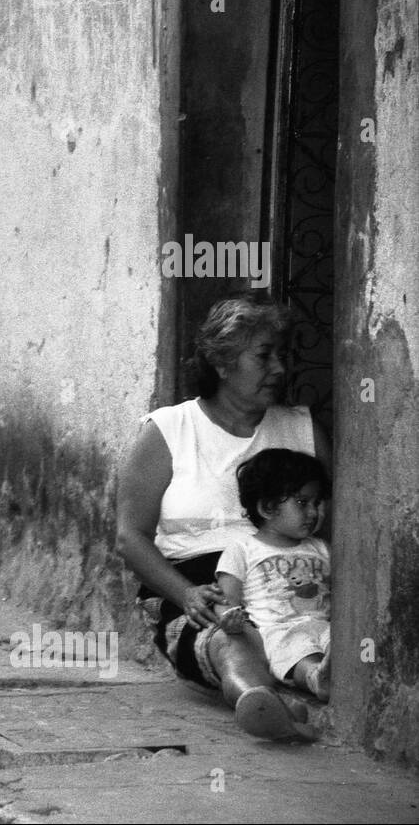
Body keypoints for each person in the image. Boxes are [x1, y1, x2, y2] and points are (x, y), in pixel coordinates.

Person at [115, 292, 331, 740]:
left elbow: (339, 523)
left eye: (282, 355)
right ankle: (256, 699)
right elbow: (129, 537)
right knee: (228, 635)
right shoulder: (169, 430)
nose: (279, 369)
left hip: (292, 575)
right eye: (264, 356)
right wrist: (189, 594)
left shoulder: (301, 428)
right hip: (201, 582)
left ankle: (287, 692)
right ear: (222, 361)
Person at [216, 449, 332, 701]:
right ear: (268, 508)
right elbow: (226, 598)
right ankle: (315, 678)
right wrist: (230, 620)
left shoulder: (321, 549)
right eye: (302, 502)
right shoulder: (243, 549)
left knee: (339, 641)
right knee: (298, 653)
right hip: (278, 632)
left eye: (316, 502)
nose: (313, 512)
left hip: (323, 624)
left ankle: (336, 672)